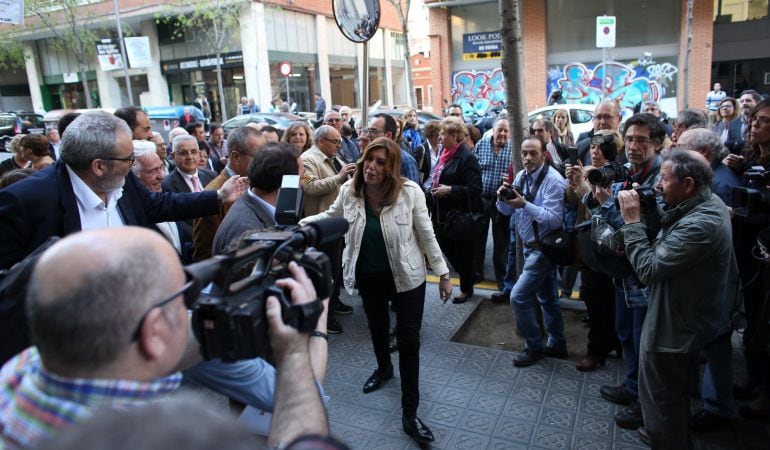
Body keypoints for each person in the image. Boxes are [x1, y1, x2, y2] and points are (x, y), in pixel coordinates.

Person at [0, 227, 330, 449]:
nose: (191, 307)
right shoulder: (166, 435)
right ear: (154, 332)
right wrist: (297, 349)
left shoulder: (15, 374)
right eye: (184, 299)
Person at [301, 137, 452, 444]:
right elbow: (331, 216)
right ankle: (384, 369)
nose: (371, 166)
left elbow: (426, 234)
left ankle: (410, 414)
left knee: (409, 342)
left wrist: (444, 274)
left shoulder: (409, 193)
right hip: (368, 275)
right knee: (378, 328)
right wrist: (300, 224)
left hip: (407, 278)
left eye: (381, 162)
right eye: (369, 159)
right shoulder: (350, 191)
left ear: (392, 167)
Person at [0, 111, 247, 271]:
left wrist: (218, 196)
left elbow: (157, 205)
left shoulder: (119, 181)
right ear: (98, 166)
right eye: (128, 160)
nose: (132, 166)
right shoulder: (24, 202)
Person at [616, 150, 740, 449]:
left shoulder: (702, 223)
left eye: (665, 179)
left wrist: (632, 222)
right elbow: (668, 238)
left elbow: (649, 269)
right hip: (684, 317)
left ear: (687, 184)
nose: (658, 185)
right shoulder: (701, 204)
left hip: (674, 331)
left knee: (663, 402)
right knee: (673, 398)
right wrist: (652, 212)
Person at [584, 113, 665, 430]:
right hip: (624, 272)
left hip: (643, 274)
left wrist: (607, 207)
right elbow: (603, 214)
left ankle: (646, 405)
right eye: (629, 139)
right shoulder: (630, 172)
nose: (632, 145)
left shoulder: (659, 178)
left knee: (643, 340)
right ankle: (632, 387)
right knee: (626, 334)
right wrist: (598, 199)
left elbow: (640, 228)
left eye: (641, 140)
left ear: (657, 144)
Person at [497, 135, 568, 367]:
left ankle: (534, 347)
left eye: (533, 153)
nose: (527, 158)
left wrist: (524, 205)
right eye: (524, 153)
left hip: (543, 250)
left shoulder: (554, 181)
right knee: (547, 298)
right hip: (530, 248)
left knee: (518, 297)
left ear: (543, 154)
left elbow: (556, 220)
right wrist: (503, 199)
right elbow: (507, 212)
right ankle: (558, 344)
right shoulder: (520, 176)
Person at [564, 130, 623, 371]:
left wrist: (581, 186)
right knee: (592, 297)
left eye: (600, 147)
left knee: (602, 300)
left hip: (609, 246)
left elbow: (596, 208)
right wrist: (573, 182)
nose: (595, 151)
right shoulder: (586, 171)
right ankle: (606, 344)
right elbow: (570, 201)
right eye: (592, 147)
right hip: (588, 246)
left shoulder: (618, 174)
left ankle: (598, 349)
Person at [300, 125, 357, 334]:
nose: (338, 146)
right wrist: (340, 177)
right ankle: (326, 316)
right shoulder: (308, 159)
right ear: (321, 140)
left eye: (339, 142)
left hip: (336, 223)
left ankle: (335, 302)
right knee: (326, 272)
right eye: (335, 142)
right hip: (320, 224)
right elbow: (311, 187)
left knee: (335, 268)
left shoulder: (334, 157)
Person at [193, 127, 266, 261]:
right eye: (258, 156)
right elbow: (204, 254)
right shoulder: (213, 195)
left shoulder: (255, 183)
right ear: (236, 157)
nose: (264, 162)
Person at [430, 116, 482, 303]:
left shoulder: (466, 157)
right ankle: (469, 276)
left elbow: (475, 189)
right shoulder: (445, 154)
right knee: (447, 248)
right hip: (442, 215)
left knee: (462, 253)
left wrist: (450, 190)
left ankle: (466, 289)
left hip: (459, 217)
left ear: (455, 136)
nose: (440, 138)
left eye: (443, 134)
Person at [213, 142, 298, 255]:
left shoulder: (251, 204)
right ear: (286, 183)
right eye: (299, 177)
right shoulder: (249, 233)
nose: (302, 183)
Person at [474, 117, 512, 299]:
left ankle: (502, 280)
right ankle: (477, 273)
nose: (502, 134)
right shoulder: (481, 145)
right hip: (482, 199)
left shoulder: (513, 148)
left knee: (501, 243)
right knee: (478, 239)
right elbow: (473, 169)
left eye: (506, 131)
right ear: (493, 130)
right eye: (500, 130)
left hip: (501, 202)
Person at [368, 113, 420, 184]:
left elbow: (413, 192)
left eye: (373, 131)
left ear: (388, 135)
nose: (368, 135)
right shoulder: (368, 157)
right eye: (368, 131)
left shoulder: (405, 160)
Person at [577, 101, 622, 165]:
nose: (602, 122)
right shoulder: (583, 144)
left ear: (619, 119)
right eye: (598, 117)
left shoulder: (629, 146)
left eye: (607, 117)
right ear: (593, 120)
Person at [725, 89, 762, 154]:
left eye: (748, 101)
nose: (744, 103)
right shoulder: (733, 123)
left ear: (757, 103)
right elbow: (729, 145)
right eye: (742, 101)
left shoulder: (764, 122)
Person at [421, 121, 441, 191]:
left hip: (438, 190)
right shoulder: (421, 149)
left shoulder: (443, 148)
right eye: (438, 134)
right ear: (431, 135)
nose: (441, 137)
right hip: (425, 189)